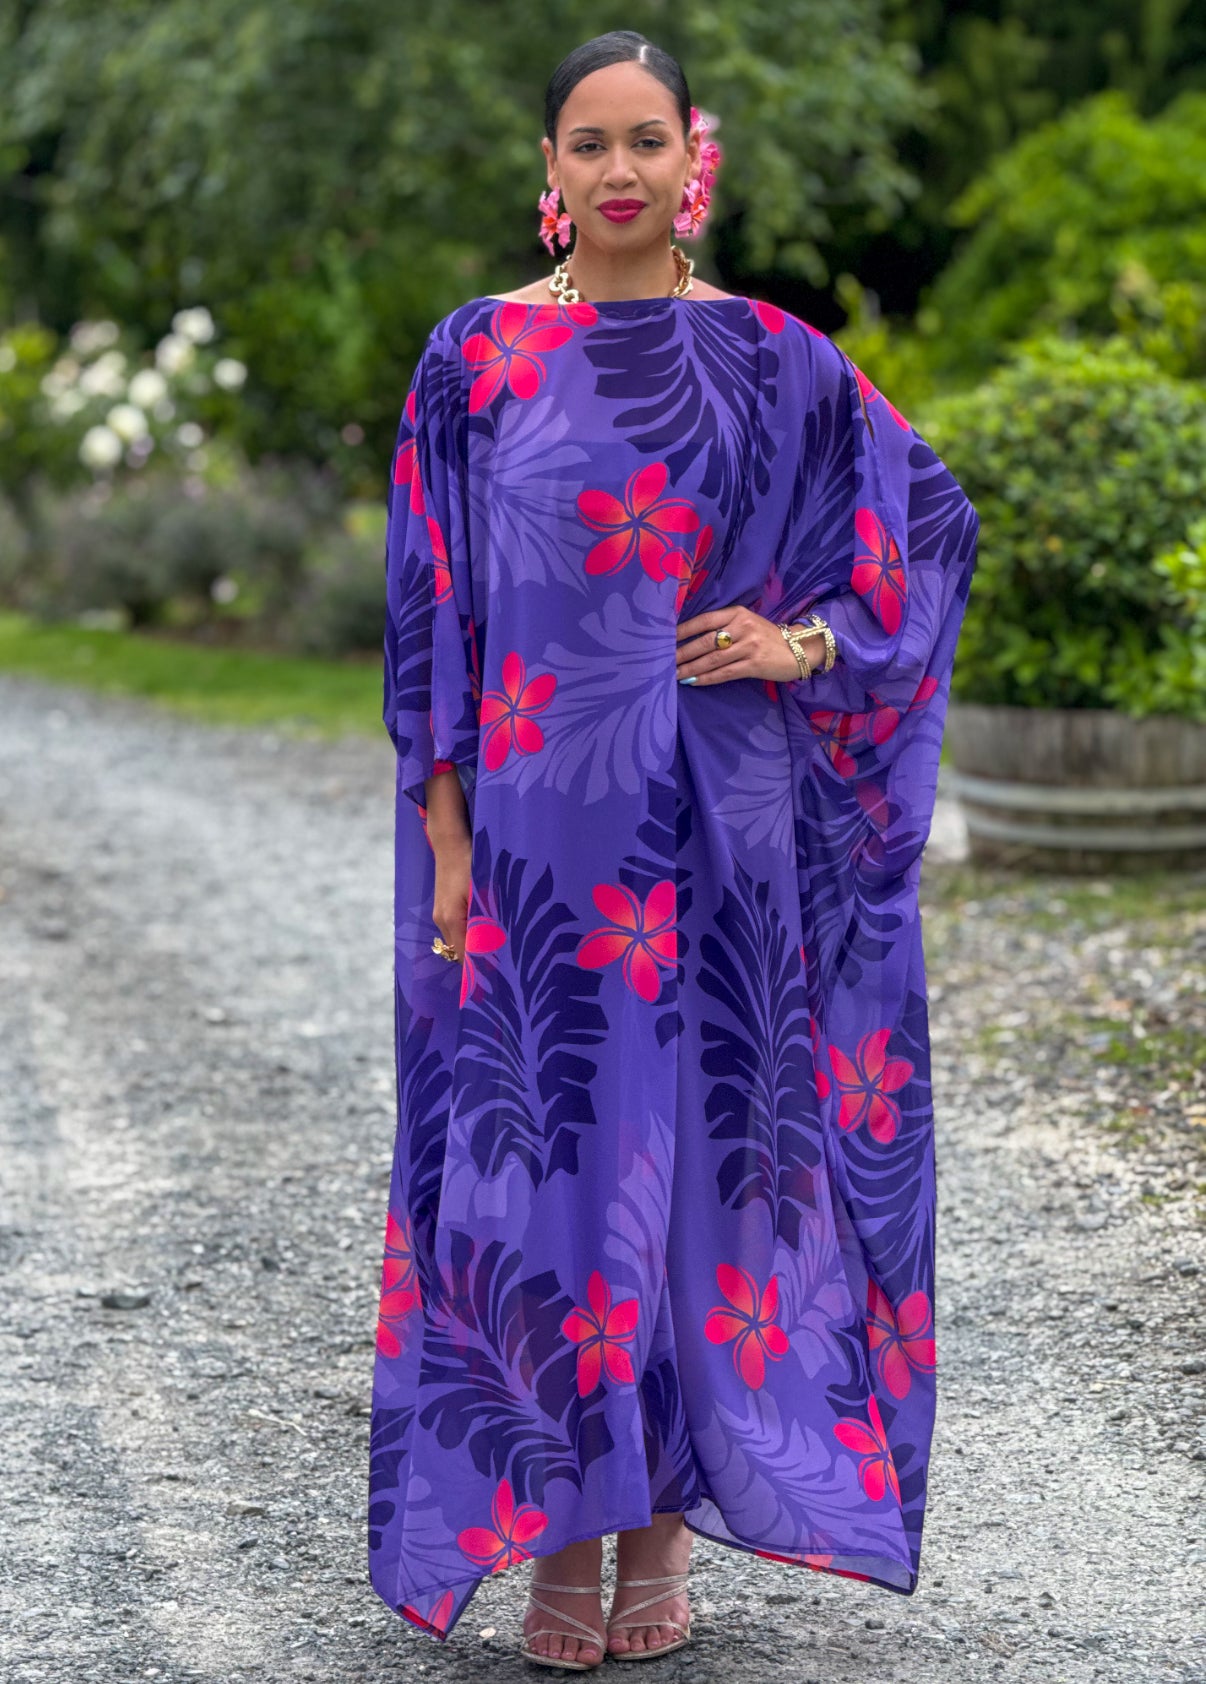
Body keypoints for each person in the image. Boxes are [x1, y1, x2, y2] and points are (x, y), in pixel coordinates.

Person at [369, 27, 980, 1672]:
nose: (618, 169)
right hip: (538, 850)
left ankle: (655, 1539)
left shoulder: (776, 360)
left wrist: (802, 644)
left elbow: (926, 526)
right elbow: (430, 611)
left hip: (727, 841)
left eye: (646, 139)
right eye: (589, 142)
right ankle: (558, 1545)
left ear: (690, 160)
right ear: (550, 171)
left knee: (701, 1189)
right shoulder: (474, 360)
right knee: (547, 1183)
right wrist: (443, 837)